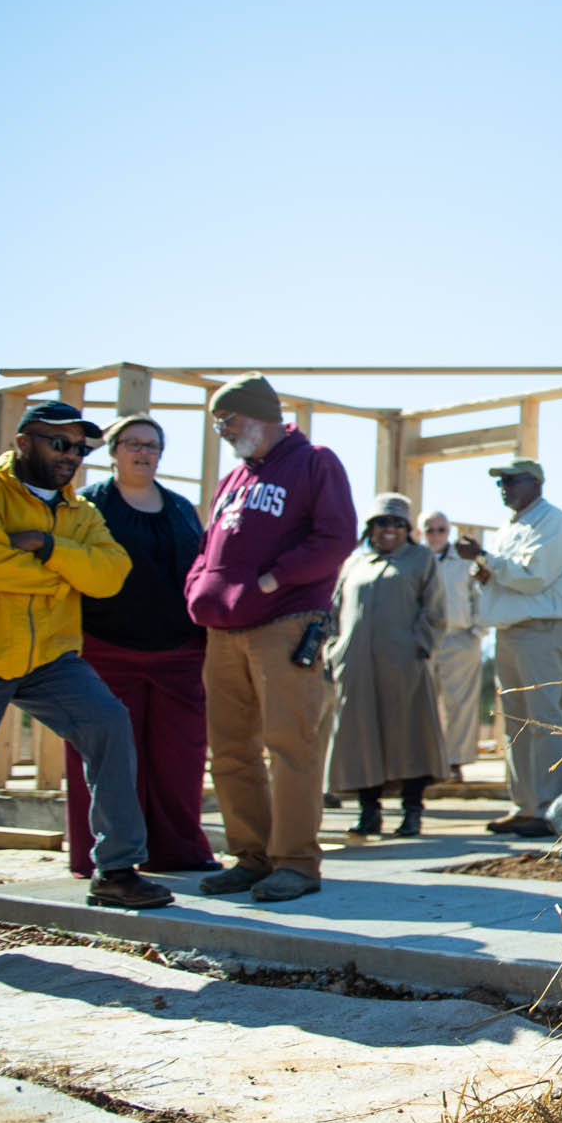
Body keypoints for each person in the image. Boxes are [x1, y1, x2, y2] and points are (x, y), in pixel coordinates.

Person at [0, 400, 173, 968]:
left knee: (108, 723)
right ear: (26, 441)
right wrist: (59, 581)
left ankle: (117, 871)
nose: (72, 457)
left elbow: (110, 575)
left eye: (81, 449)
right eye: (61, 445)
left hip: (50, 658)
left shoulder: (78, 510)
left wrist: (49, 547)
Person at [186, 373, 357, 904]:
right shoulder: (233, 479)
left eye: (229, 419)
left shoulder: (314, 461)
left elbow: (337, 537)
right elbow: (207, 545)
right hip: (224, 632)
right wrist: (197, 584)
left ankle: (296, 862)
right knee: (231, 749)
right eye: (218, 421)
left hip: (284, 624)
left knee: (291, 745)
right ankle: (253, 856)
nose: (222, 430)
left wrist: (273, 578)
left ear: (261, 415)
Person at [64, 414, 217, 876]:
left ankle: (177, 852)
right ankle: (107, 858)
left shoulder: (180, 508)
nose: (143, 452)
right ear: (113, 451)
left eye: (152, 445)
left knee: (179, 757)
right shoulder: (87, 506)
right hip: (106, 650)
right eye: (132, 443)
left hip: (180, 653)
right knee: (108, 758)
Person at [458, 459, 562, 838]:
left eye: (511, 481)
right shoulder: (511, 528)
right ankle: (524, 806)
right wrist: (486, 570)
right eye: (501, 483)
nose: (504, 488)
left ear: (536, 483)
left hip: (540, 631)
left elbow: (533, 577)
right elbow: (505, 575)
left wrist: (487, 561)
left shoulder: (553, 523)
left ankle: (548, 808)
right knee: (515, 724)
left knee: (542, 719)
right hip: (511, 632)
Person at [325, 494, 448, 839]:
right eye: (381, 522)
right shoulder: (354, 564)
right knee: (360, 739)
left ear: (407, 528)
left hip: (404, 665)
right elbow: (333, 610)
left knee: (410, 737)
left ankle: (411, 812)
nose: (389, 529)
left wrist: (419, 646)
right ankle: (369, 812)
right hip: (356, 667)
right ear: (371, 528)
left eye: (396, 523)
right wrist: (334, 651)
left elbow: (436, 609)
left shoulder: (421, 559)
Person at [421, 510, 482, 783]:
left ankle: (455, 761)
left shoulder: (463, 562)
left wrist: (476, 632)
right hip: (421, 640)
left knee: (460, 703)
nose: (436, 535)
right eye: (430, 529)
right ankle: (423, 763)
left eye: (441, 529)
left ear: (449, 531)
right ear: (421, 532)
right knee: (421, 703)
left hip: (458, 637)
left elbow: (480, 595)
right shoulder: (414, 560)